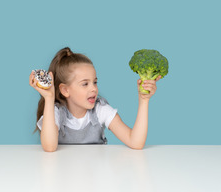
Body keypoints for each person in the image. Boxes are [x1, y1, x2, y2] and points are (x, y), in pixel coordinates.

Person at [29, 47, 161, 152]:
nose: (93, 89)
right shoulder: (57, 112)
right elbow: (49, 147)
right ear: (65, 90)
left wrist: (144, 100)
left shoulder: (100, 110)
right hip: (64, 175)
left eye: (95, 82)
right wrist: (49, 98)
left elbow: (135, 142)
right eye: (85, 84)